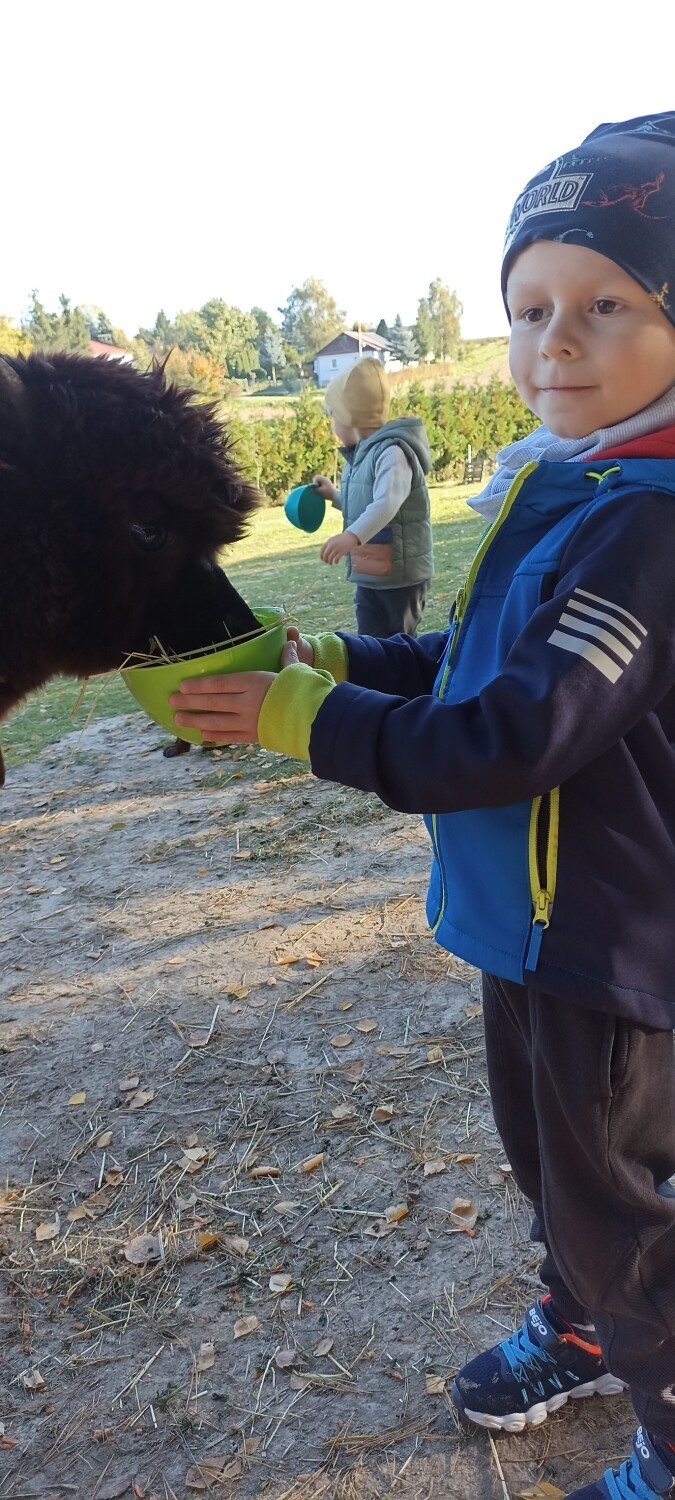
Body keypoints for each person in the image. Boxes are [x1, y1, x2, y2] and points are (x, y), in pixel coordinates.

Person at [170, 113, 675, 1500]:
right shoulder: (576, 488)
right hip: (524, 932)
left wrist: (303, 725)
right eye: (526, 308)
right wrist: (336, 660)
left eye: (604, 304)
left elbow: (515, 734)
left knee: (619, 1210)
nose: (551, 342)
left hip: (603, 944)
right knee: (555, 1177)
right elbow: (469, 669)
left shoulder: (651, 527)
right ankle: (580, 1322)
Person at [312, 356, 434, 637]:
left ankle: (404, 682)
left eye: (332, 414)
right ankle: (374, 682)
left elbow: (387, 504)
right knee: (369, 641)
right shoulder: (361, 455)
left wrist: (351, 536)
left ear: (349, 417)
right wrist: (333, 495)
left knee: (398, 645)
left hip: (400, 576)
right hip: (372, 573)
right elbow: (365, 505)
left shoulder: (393, 452)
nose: (331, 423)